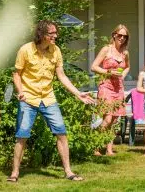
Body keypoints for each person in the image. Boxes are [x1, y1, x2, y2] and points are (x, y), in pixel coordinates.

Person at [7, 20, 95, 182]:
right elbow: (16, 74)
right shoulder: (25, 50)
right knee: (22, 135)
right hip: (28, 98)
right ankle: (14, 173)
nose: (56, 36)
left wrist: (77, 93)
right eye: (52, 33)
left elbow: (61, 75)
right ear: (42, 34)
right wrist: (20, 92)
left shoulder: (56, 51)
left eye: (56, 33)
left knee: (61, 133)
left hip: (48, 98)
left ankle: (68, 172)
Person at [91, 24, 130, 156]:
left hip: (118, 88)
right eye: (120, 35)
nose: (122, 38)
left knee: (114, 120)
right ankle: (96, 146)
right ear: (114, 35)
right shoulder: (106, 49)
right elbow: (94, 67)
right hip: (106, 86)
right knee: (107, 119)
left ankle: (109, 149)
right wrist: (108, 71)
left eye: (125, 36)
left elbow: (127, 67)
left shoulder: (125, 53)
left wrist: (122, 76)